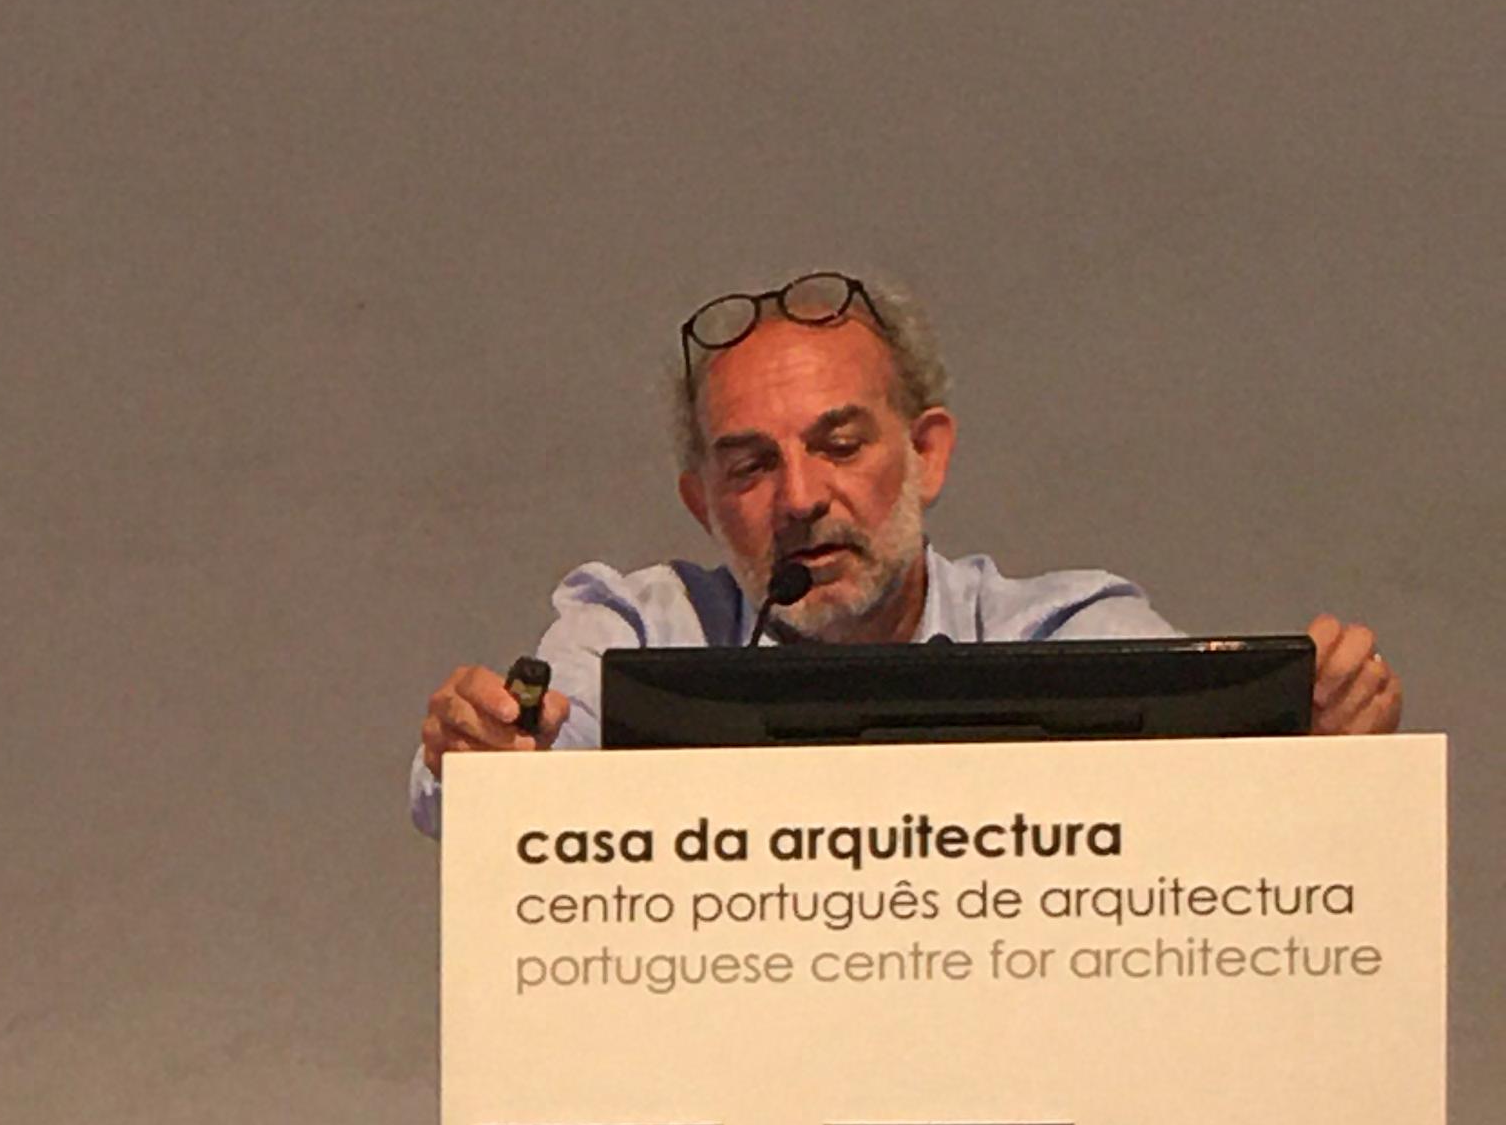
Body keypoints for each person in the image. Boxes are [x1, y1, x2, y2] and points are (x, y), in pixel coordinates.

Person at [410, 272, 1401, 832]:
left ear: (928, 455)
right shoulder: (640, 628)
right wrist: (485, 757)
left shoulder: (1058, 632)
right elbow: (482, 791)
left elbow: (1216, 770)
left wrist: (1312, 749)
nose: (801, 498)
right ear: (701, 504)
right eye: (750, 467)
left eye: (840, 447)